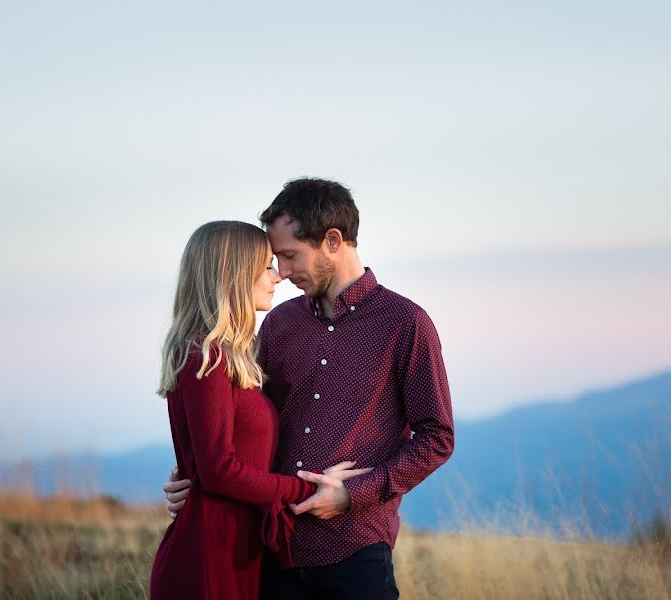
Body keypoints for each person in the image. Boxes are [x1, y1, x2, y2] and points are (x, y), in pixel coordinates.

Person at [164, 180, 455, 599]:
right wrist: (193, 478)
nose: (280, 273)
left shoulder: (405, 324)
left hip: (354, 552)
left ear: (332, 242)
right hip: (271, 553)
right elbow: (236, 420)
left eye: (288, 256)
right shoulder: (278, 325)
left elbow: (438, 438)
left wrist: (353, 494)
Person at [150, 220, 371, 600]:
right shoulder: (209, 356)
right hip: (210, 552)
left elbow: (213, 458)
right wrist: (309, 487)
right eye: (267, 266)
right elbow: (219, 471)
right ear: (234, 274)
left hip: (237, 548)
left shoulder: (231, 356)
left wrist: (194, 473)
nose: (278, 276)